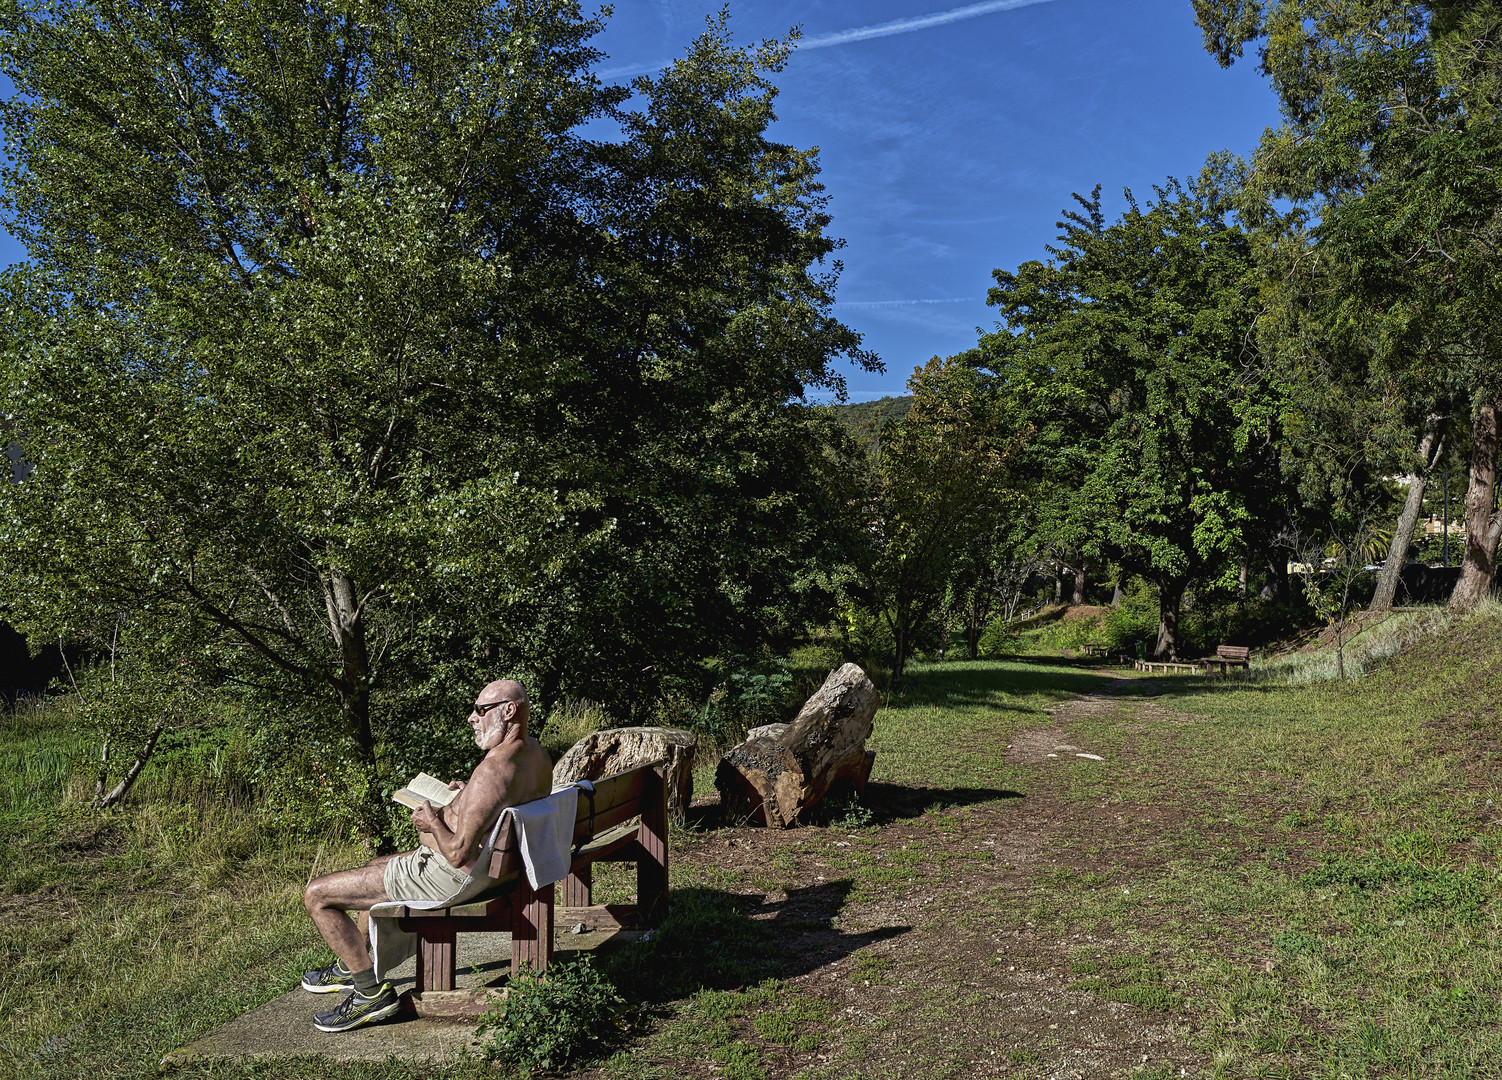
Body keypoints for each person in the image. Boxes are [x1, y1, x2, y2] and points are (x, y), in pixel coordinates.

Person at [299, 678, 553, 1032]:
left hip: (451, 877)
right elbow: (504, 802)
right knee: (374, 866)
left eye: (481, 710)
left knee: (317, 895)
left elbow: (456, 853)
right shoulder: (536, 754)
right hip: (501, 871)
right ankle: (351, 963)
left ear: (508, 711)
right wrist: (467, 799)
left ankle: (369, 995)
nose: (472, 718)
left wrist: (431, 820)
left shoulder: (492, 771)